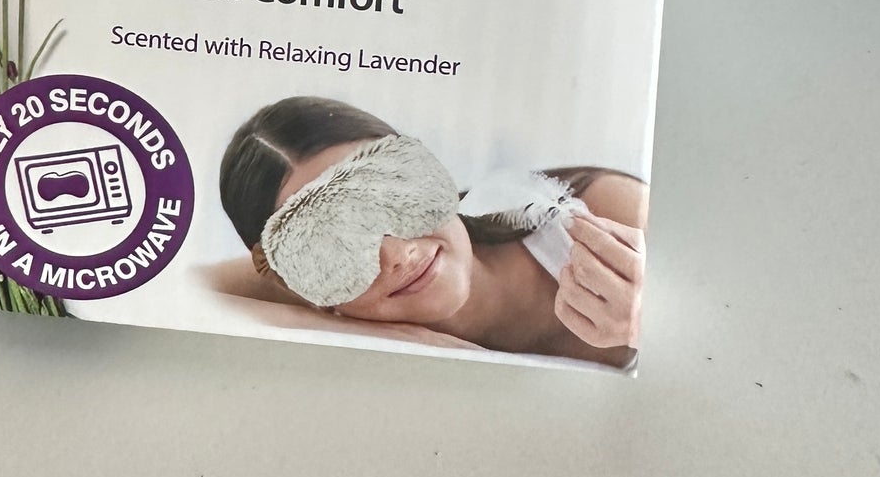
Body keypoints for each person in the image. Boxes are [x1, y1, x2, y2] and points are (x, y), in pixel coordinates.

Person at [219, 96, 646, 367]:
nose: (397, 254)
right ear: (300, 288)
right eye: (333, 243)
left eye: (391, 191)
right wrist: (384, 338)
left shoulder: (607, 216)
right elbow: (183, 289)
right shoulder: (318, 301)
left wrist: (650, 327)